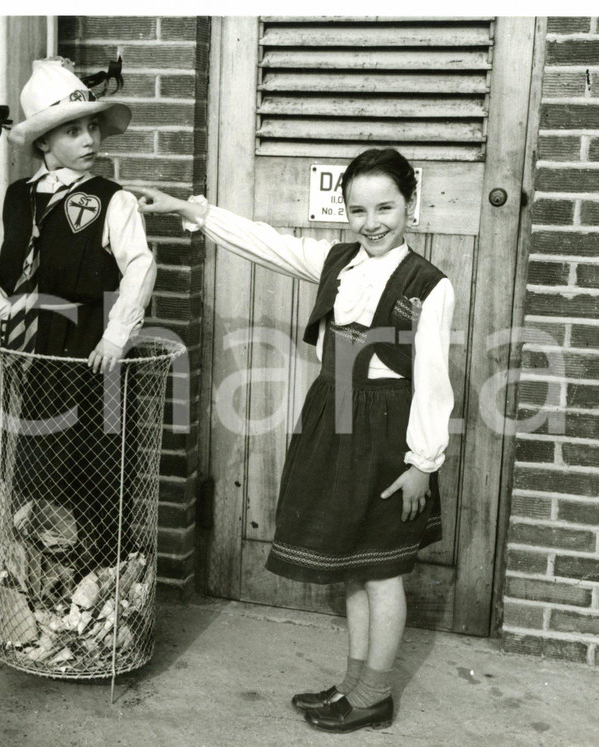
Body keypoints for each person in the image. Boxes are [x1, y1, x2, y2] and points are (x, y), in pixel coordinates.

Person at [134, 148, 454, 734]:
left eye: (385, 207)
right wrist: (195, 212)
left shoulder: (428, 285)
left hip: (389, 438)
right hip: (333, 421)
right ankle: (353, 685)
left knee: (382, 571)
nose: (372, 222)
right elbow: (267, 243)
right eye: (357, 210)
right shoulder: (337, 263)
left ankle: (375, 696)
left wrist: (422, 464)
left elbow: (433, 379)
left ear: (412, 204)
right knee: (353, 564)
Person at [0, 57, 156, 590]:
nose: (89, 140)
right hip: (36, 360)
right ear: (42, 144)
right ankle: (45, 599)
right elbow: (10, 269)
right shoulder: (19, 199)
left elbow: (141, 267)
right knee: (38, 474)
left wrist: (116, 335)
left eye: (92, 128)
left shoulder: (112, 201)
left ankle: (102, 595)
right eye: (73, 131)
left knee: (95, 473)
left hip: (89, 354)